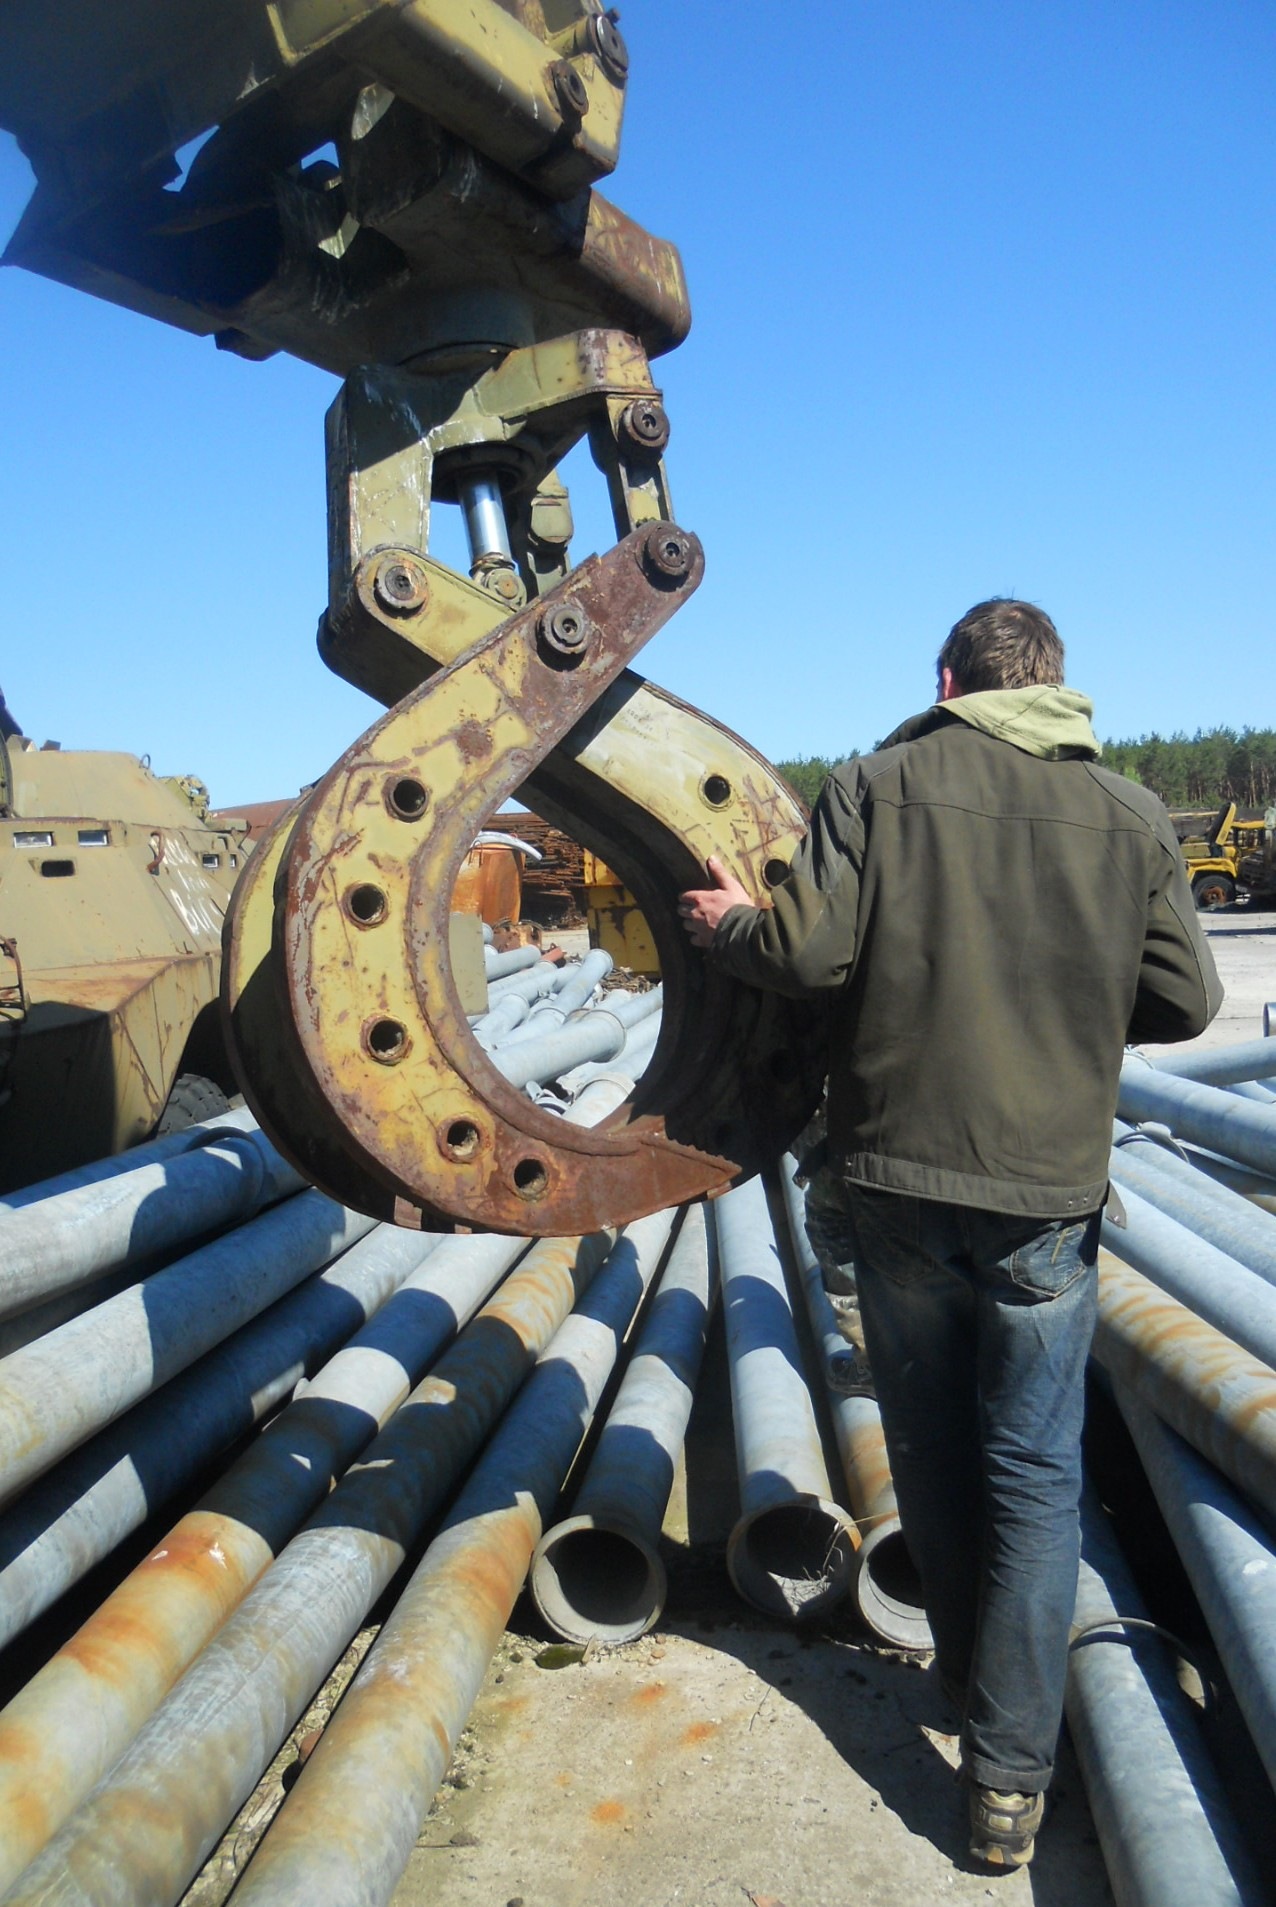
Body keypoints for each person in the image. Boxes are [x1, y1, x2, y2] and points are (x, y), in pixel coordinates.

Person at [678, 598, 1220, 1868]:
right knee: (1033, 1474)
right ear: (1055, 685)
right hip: (1044, 1198)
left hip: (898, 1178)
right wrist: (1075, 1008)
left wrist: (726, 924)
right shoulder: (1130, 811)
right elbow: (1187, 998)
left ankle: (966, 1680)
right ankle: (1007, 1777)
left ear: (946, 681)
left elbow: (808, 954)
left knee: (926, 1443)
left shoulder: (876, 783)